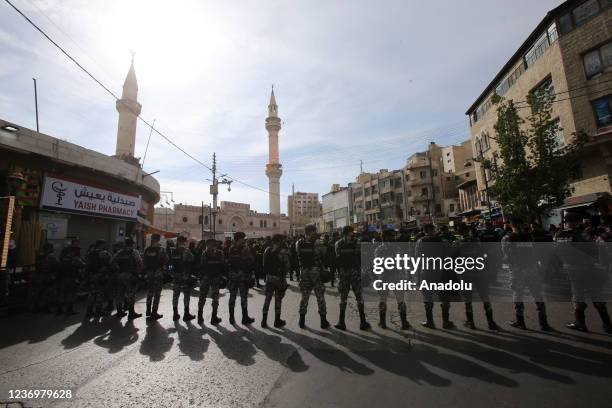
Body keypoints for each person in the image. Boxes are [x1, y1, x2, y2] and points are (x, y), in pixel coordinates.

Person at [555, 212, 612, 333]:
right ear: (578, 221)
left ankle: (580, 323)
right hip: (588, 269)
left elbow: (558, 252)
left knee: (578, 296)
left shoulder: (559, 235)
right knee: (596, 295)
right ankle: (607, 324)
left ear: (566, 222)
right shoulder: (585, 234)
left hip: (572, 270)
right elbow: (596, 248)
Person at [502, 218, 551, 331]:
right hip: (531, 268)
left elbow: (506, 255)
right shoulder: (530, 236)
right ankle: (543, 323)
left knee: (518, 295)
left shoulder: (507, 238)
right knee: (537, 294)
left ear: (511, 224)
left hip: (517, 270)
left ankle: (520, 321)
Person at [455, 224, 497, 330]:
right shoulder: (477, 242)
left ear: (459, 232)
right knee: (485, 296)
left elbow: (453, 259)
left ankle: (471, 322)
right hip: (479, 272)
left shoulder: (457, 243)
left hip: (465, 274)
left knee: (468, 298)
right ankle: (491, 322)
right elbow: (485, 255)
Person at [417, 224, 455, 329]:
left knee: (427, 297)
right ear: (434, 230)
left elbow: (417, 257)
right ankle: (446, 322)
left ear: (424, 231)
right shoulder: (443, 241)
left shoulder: (420, 242)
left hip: (427, 272)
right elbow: (449, 254)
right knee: (444, 296)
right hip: (441, 271)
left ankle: (430, 322)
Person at [334, 226, 371, 331]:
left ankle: (341, 322)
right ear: (349, 232)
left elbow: (337, 257)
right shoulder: (357, 243)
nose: (353, 234)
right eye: (351, 232)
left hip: (343, 273)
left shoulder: (338, 244)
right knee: (359, 297)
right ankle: (363, 322)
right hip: (355, 272)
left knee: (343, 298)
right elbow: (361, 256)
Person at [296, 225, 329, 329]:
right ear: (311, 232)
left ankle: (301, 321)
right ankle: (323, 321)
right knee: (320, 296)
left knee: (304, 297)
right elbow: (324, 254)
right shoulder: (317, 243)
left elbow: (298, 255)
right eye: (314, 232)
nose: (315, 233)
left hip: (304, 272)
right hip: (315, 272)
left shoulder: (299, 243)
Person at [227, 232, 256, 325]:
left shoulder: (231, 248)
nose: (244, 240)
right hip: (242, 276)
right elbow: (251, 260)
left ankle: (231, 318)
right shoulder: (245, 249)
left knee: (232, 296)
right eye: (243, 238)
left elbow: (229, 261)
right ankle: (245, 317)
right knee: (243, 297)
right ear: (239, 239)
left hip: (232, 275)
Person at [261, 234, 290, 328]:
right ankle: (277, 320)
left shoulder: (267, 250)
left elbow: (264, 265)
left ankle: (264, 321)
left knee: (267, 299)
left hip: (269, 278)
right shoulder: (282, 252)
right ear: (279, 241)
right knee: (278, 300)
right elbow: (287, 266)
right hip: (279, 279)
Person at [112, 238, 143, 319]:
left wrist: (118, 272)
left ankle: (119, 312)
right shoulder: (134, 252)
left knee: (119, 294)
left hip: (120, 276)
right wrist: (138, 274)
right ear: (132, 244)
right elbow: (140, 263)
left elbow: (112, 263)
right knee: (131, 294)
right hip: (130, 276)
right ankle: (131, 313)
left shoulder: (119, 253)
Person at [198, 238, 226, 325]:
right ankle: (214, 317)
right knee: (215, 298)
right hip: (215, 278)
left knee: (202, 297)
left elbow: (201, 265)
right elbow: (222, 265)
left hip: (206, 277)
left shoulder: (204, 253)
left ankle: (200, 316)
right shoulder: (220, 253)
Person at [170, 235, 196, 322]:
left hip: (176, 276)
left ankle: (175, 314)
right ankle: (186, 314)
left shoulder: (174, 251)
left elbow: (170, 263)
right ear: (184, 242)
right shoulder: (186, 251)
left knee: (175, 295)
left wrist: (171, 274)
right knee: (186, 295)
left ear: (177, 241)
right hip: (184, 276)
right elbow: (192, 259)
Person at [85, 240, 114, 318]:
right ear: (101, 245)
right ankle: (98, 311)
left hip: (91, 275)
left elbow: (87, 265)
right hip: (101, 276)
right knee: (100, 293)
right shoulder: (104, 253)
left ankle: (89, 311)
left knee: (91, 294)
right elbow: (110, 264)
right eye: (104, 245)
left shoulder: (90, 253)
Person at [143, 234, 168, 320]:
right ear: (158, 239)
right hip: (158, 274)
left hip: (149, 274)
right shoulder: (161, 250)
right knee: (157, 294)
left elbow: (144, 262)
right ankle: (154, 312)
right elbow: (166, 260)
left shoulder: (146, 250)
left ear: (152, 239)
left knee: (150, 292)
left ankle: (148, 311)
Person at [32, 243, 59, 313]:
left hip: (38, 277)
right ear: (48, 249)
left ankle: (36, 308)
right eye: (51, 248)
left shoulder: (39, 256)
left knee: (38, 292)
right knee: (47, 293)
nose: (53, 249)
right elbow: (57, 265)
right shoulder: (51, 257)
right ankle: (45, 308)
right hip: (47, 277)